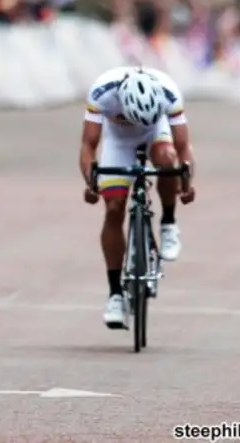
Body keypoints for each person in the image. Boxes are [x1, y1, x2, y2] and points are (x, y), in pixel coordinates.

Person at [79, 67, 196, 329]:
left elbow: (183, 147)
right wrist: (91, 182)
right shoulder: (102, 93)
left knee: (167, 160)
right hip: (118, 141)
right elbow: (88, 145)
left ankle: (168, 222)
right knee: (114, 209)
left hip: (155, 132)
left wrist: (187, 182)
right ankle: (115, 295)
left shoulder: (169, 93)